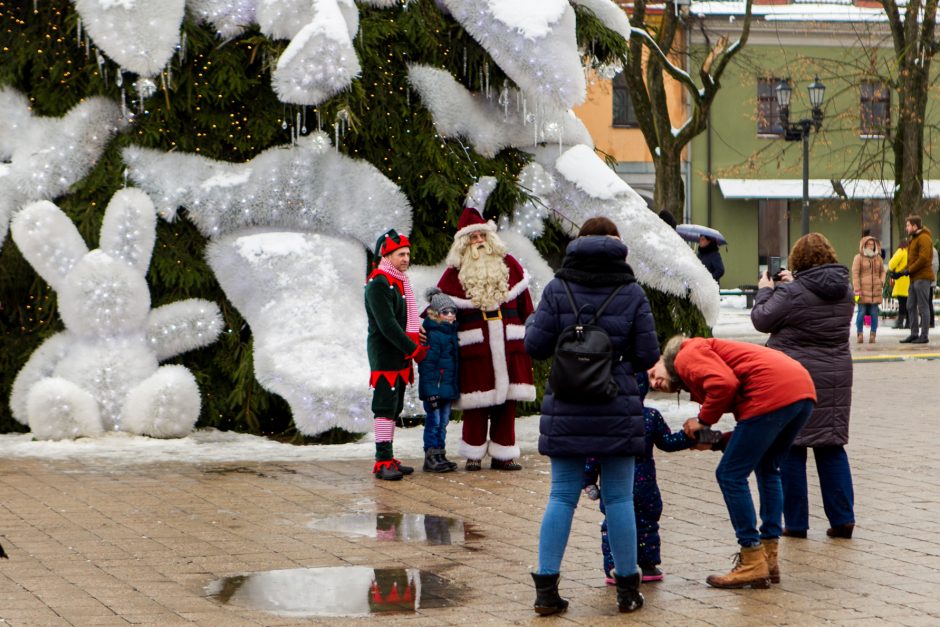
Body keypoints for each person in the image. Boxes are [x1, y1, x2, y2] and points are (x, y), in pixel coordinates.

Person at [524, 217, 660, 615]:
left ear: (577, 243)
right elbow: (649, 355)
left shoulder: (556, 287)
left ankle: (546, 591)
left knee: (562, 495)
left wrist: (540, 322)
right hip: (616, 403)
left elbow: (535, 345)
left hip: (566, 404)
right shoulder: (632, 291)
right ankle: (627, 590)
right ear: (618, 245)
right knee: (619, 498)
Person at [647, 336, 816, 589]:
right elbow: (752, 431)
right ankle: (768, 558)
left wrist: (703, 421)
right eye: (651, 384)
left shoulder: (684, 353)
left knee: (729, 474)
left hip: (772, 392)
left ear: (662, 358)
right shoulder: (703, 356)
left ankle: (751, 557)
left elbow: (723, 384)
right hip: (800, 391)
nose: (654, 382)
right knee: (767, 467)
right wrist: (714, 441)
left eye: (652, 373)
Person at [750, 233, 856, 543]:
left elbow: (761, 319)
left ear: (797, 261)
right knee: (831, 445)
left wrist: (766, 291)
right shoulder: (845, 290)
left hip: (795, 377)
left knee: (792, 447)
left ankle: (796, 523)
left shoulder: (793, 293)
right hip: (836, 376)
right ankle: (843, 519)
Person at [436, 206, 535, 471]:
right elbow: (437, 314)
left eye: (482, 236)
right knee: (476, 404)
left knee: (507, 404)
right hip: (475, 347)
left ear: (490, 239)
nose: (478, 242)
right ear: (463, 244)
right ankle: (473, 454)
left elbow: (528, 308)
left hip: (510, 344)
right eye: (472, 238)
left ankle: (504, 454)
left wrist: (532, 332)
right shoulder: (452, 276)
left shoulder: (510, 266)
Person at [582, 371, 698, 586]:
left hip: (613, 485)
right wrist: (690, 437)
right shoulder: (650, 416)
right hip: (646, 485)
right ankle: (647, 565)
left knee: (612, 526)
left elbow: (593, 453)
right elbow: (667, 442)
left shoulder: (603, 419)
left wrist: (588, 479)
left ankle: (614, 566)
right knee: (647, 524)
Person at [364, 229, 427, 481]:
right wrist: (414, 350)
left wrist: (417, 333)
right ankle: (382, 461)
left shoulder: (399, 280)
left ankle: (389, 456)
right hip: (386, 354)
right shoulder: (379, 282)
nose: (406, 258)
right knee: (383, 407)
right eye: (401, 254)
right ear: (386, 255)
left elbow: (404, 318)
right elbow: (387, 325)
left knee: (394, 407)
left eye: (408, 253)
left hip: (399, 353)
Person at [418, 288, 460, 473]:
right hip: (435, 389)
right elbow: (427, 366)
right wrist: (431, 392)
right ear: (436, 314)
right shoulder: (433, 335)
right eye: (445, 312)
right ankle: (430, 456)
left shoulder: (450, 334)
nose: (450, 315)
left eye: (452, 312)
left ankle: (440, 453)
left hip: (446, 389)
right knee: (433, 422)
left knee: (443, 423)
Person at [899, 215, 935, 344]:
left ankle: (924, 335)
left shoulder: (924, 238)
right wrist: (900, 272)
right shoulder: (914, 239)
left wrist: (909, 270)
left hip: (922, 277)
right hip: (914, 278)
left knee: (923, 306)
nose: (906, 228)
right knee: (910, 305)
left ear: (914, 226)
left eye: (908, 225)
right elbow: (912, 259)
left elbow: (923, 258)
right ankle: (914, 333)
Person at [851, 235, 886, 343]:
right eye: (868, 244)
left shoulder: (878, 258)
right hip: (861, 291)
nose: (871, 246)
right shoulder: (858, 258)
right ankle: (859, 334)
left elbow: (883, 271)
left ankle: (873, 335)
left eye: (872, 244)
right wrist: (857, 289)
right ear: (864, 245)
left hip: (875, 290)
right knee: (861, 312)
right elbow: (855, 274)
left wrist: (881, 281)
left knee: (874, 313)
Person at [888, 240, 910, 329]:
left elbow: (891, 264)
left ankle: (900, 323)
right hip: (910, 280)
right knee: (909, 304)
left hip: (902, 280)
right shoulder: (911, 252)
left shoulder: (901, 251)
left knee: (902, 303)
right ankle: (908, 323)